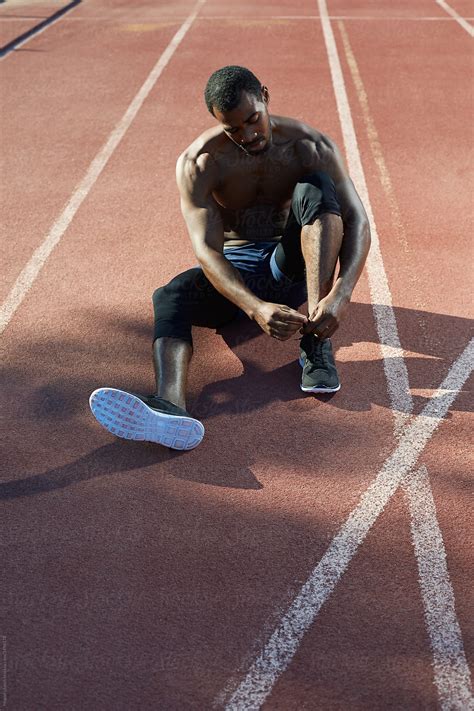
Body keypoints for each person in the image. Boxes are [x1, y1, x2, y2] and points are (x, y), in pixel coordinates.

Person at [89, 65, 370, 451]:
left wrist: (343, 292)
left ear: (266, 97)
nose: (247, 135)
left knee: (317, 188)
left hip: (288, 265)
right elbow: (206, 250)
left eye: (253, 120)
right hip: (234, 277)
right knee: (169, 297)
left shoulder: (309, 146)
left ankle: (316, 344)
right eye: (233, 129)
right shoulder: (201, 162)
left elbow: (357, 220)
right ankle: (169, 406)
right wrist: (254, 308)